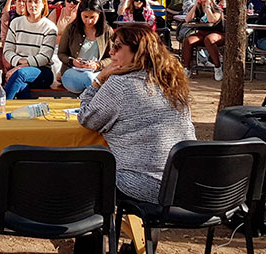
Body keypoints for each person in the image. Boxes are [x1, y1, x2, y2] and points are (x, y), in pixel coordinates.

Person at [78, 25, 196, 202]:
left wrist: (98, 80)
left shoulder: (121, 84)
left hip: (144, 184)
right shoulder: (170, 81)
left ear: (138, 52)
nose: (111, 52)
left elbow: (87, 118)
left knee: (80, 171)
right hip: (186, 181)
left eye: (117, 47)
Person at [2, 0, 58, 99]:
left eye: (36, 2)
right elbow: (7, 50)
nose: (32, 5)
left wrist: (20, 67)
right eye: (29, 1)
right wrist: (18, 63)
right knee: (23, 87)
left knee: (20, 74)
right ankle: (22, 114)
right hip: (17, 67)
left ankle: (1, 106)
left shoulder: (50, 28)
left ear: (43, 5)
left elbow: (44, 57)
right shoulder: (16, 23)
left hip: (41, 71)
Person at [58, 0, 112, 94]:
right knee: (89, 78)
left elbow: (112, 57)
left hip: (97, 72)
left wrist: (98, 65)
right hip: (73, 72)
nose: (89, 21)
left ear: (99, 15)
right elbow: (61, 53)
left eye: (92, 17)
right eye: (85, 17)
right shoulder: (71, 29)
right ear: (80, 15)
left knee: (95, 78)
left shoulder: (107, 31)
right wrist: (72, 61)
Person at [180, 0, 225, 80]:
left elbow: (212, 20)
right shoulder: (198, 8)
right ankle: (187, 68)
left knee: (209, 39)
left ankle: (217, 67)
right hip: (202, 32)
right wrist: (195, 6)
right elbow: (187, 19)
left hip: (217, 33)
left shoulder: (216, 8)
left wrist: (208, 7)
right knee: (188, 40)